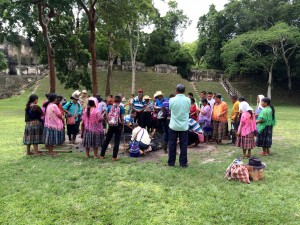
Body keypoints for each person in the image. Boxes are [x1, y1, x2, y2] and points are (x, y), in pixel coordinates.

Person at [168, 84, 191, 167]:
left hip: (173, 125)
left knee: (172, 144)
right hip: (184, 126)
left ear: (176, 91)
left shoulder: (171, 100)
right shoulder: (188, 100)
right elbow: (188, 110)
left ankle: (171, 162)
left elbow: (170, 109)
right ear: (184, 91)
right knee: (184, 145)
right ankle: (183, 163)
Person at [100, 95, 125, 161]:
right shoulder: (121, 108)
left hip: (111, 125)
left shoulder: (109, 107)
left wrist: (108, 122)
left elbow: (106, 115)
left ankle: (102, 155)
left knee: (107, 140)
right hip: (118, 125)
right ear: (120, 101)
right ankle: (114, 157)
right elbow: (122, 118)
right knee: (117, 141)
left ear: (114, 100)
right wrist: (122, 126)